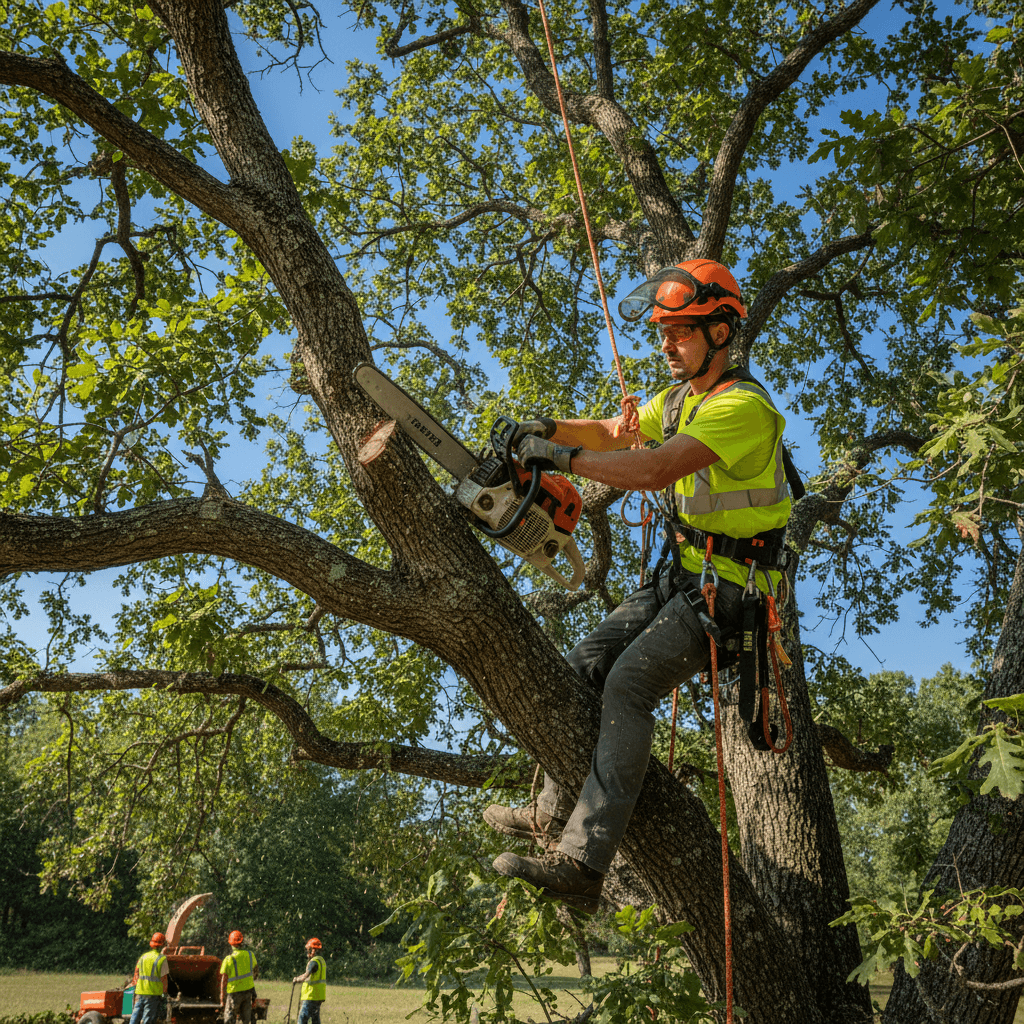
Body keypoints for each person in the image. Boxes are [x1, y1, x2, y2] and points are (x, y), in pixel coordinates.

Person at [486, 258, 793, 914]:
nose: (665, 344)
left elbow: (654, 468)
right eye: (662, 332)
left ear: (718, 331)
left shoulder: (743, 406)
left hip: (728, 591)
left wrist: (561, 461)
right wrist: (545, 431)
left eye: (678, 331)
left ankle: (582, 862)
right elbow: (616, 432)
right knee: (586, 665)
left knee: (629, 684)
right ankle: (548, 814)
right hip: (679, 575)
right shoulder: (681, 399)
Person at [128, 932, 169, 1024]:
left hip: (140, 992)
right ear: (163, 945)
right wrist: (164, 994)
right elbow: (164, 979)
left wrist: (136, 986)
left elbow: (136, 974)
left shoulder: (143, 957)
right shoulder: (162, 959)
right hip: (153, 994)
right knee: (148, 1019)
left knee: (135, 1016)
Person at [219, 930, 258, 1024]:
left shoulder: (229, 959)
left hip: (234, 994)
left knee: (229, 1019)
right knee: (246, 1020)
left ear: (231, 943)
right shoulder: (250, 955)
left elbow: (224, 979)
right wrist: (250, 981)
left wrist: (222, 996)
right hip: (248, 993)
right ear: (242, 942)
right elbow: (256, 971)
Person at [292, 937, 327, 1024]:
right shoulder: (321, 961)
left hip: (311, 996)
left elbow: (305, 977)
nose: (307, 953)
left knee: (302, 1019)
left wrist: (296, 980)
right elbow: (308, 976)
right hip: (318, 996)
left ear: (313, 950)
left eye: (308, 950)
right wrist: (298, 977)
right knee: (315, 1020)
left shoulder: (313, 962)